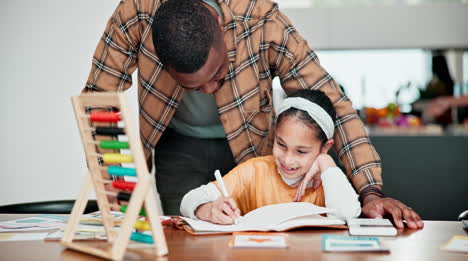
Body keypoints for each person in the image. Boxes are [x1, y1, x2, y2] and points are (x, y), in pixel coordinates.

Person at [83, 0, 423, 229]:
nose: (209, 90)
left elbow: (335, 104)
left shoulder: (263, 21)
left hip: (251, 151)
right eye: (192, 85)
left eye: (217, 73)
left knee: (257, 246)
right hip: (177, 146)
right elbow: (98, 102)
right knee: (187, 240)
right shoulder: (135, 15)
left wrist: (371, 193)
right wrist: (119, 191)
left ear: (218, 26)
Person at [180, 90, 361, 224]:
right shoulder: (254, 171)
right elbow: (188, 200)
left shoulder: (330, 179)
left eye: (301, 151)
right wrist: (207, 209)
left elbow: (348, 214)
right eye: (281, 145)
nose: (288, 160)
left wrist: (326, 161)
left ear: (325, 147)